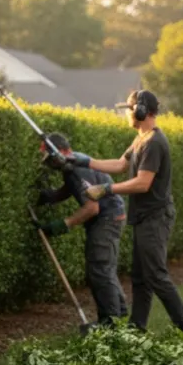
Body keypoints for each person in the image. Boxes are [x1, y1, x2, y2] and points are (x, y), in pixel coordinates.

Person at [70, 90, 183, 334]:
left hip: (155, 218)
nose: (127, 114)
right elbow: (120, 165)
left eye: (129, 109)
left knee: (156, 275)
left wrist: (106, 189)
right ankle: (137, 329)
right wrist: (85, 161)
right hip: (144, 217)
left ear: (141, 110)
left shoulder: (154, 143)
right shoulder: (141, 138)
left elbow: (142, 183)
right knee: (140, 277)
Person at [33, 133, 128, 325]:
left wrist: (61, 225)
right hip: (114, 214)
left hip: (107, 218)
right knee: (105, 268)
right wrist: (50, 197)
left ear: (61, 152)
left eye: (50, 158)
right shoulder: (74, 163)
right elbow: (72, 188)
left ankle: (109, 322)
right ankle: (120, 314)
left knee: (99, 269)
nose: (50, 164)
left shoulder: (76, 169)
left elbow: (93, 207)